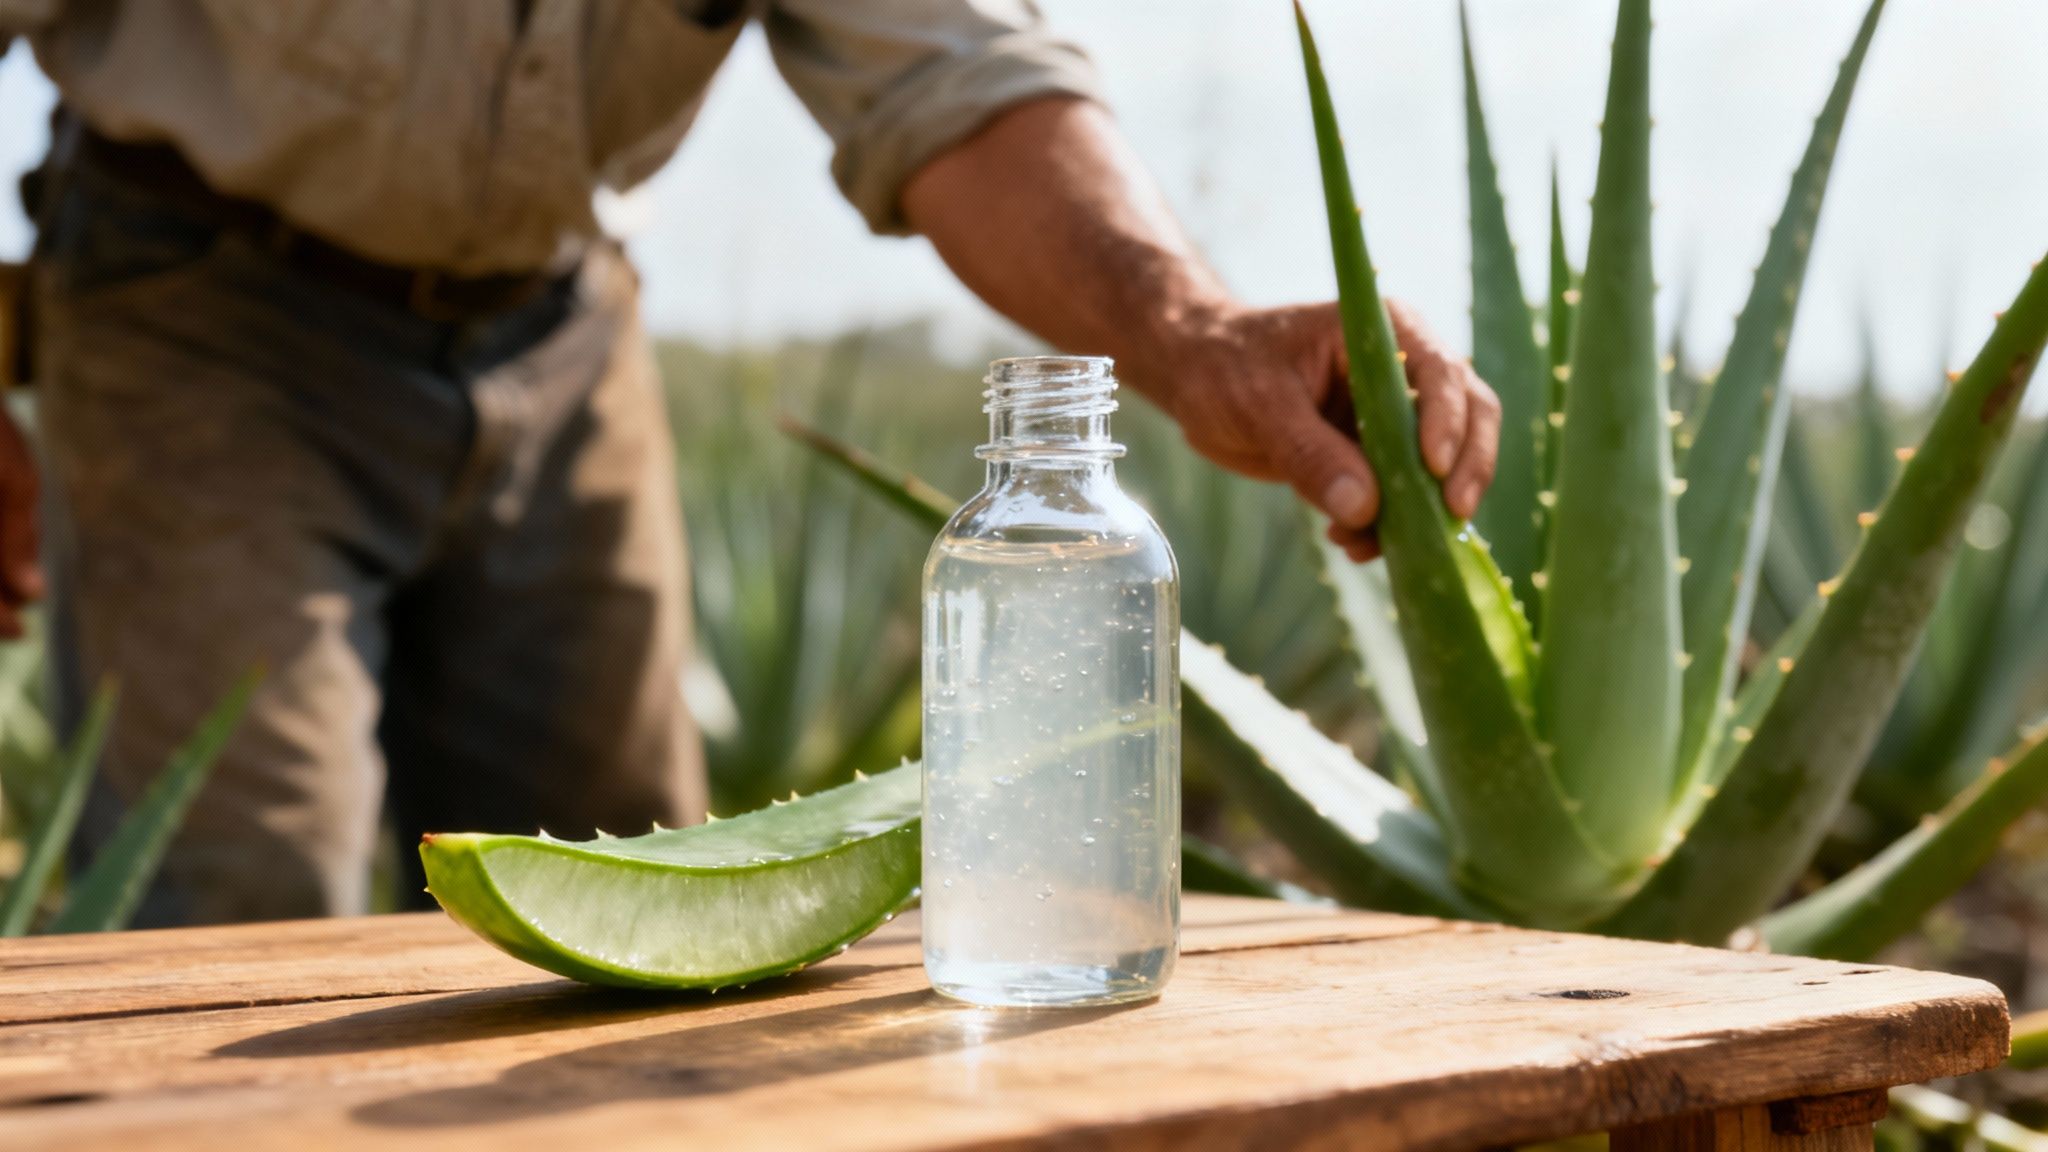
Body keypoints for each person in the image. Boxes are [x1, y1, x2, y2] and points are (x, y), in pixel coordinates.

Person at [0, 1, 1500, 925]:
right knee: (252, 897)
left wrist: (1198, 334)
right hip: (196, 306)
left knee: (643, 898)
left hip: (559, 312)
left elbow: (959, 76)